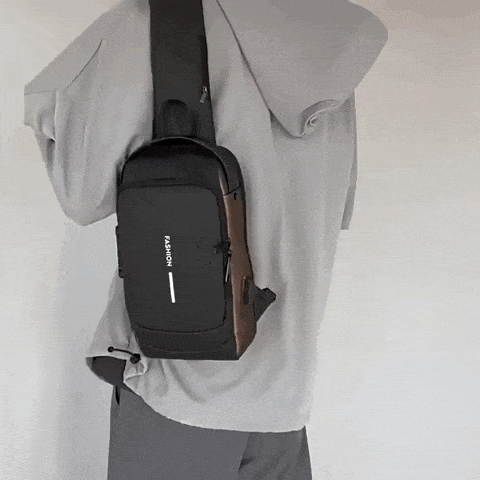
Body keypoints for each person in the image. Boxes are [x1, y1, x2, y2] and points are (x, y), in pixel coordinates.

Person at [23, 0, 387, 478]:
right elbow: (333, 204)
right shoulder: (330, 35)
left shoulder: (149, 24)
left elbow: (83, 195)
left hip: (182, 386)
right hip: (285, 391)